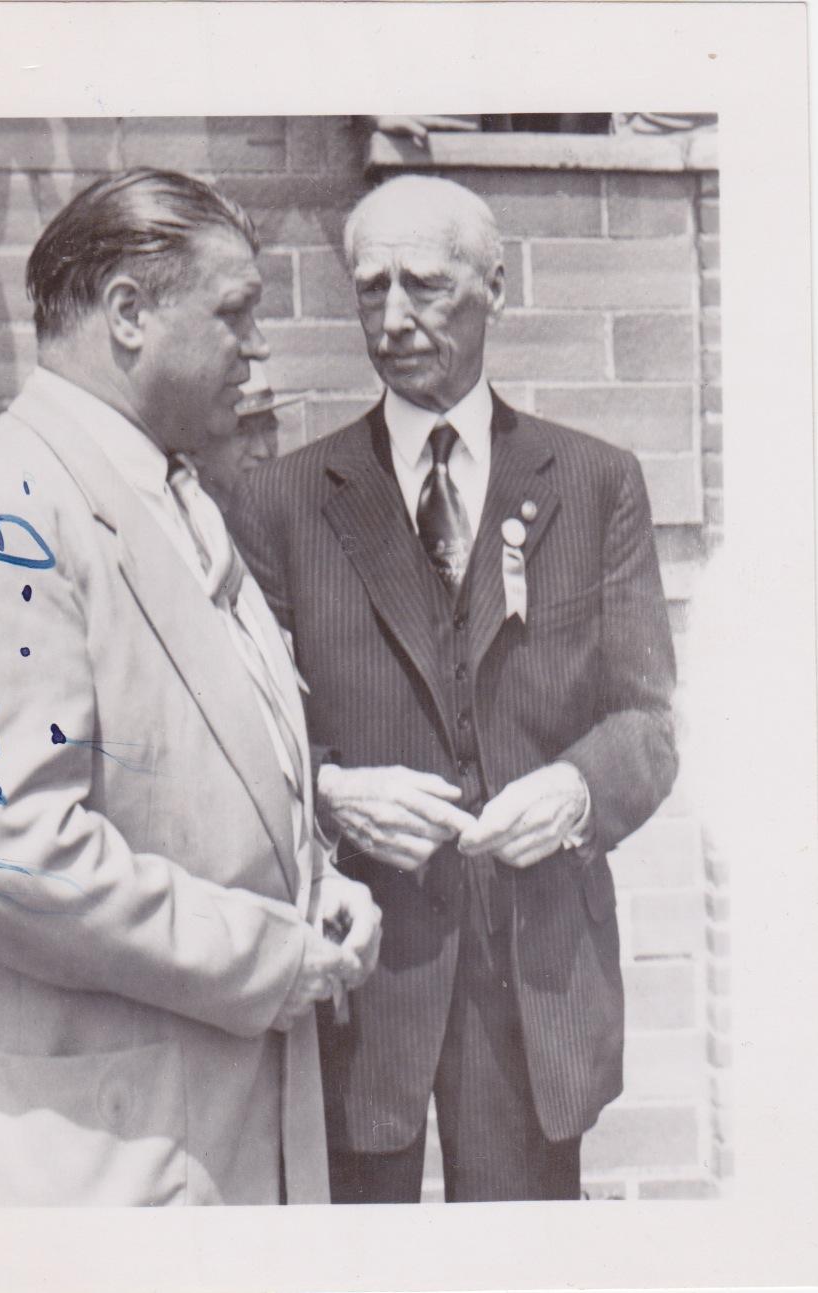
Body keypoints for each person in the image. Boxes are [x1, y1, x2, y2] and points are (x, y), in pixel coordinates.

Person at [0, 167, 380, 1207]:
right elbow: (4, 853)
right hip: (111, 1159)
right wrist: (265, 956)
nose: (258, 348)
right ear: (128, 313)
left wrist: (315, 881)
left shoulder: (173, 488)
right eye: (234, 313)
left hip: (219, 1132)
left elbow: (225, 758)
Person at [230, 174, 677, 1203]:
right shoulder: (283, 501)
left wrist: (576, 791)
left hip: (531, 968)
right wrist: (330, 796)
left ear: (495, 288)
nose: (393, 319)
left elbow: (649, 723)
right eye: (370, 288)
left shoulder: (595, 482)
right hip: (359, 968)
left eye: (425, 286)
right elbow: (247, 731)